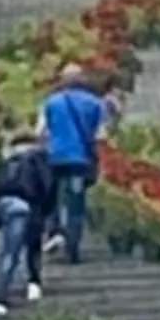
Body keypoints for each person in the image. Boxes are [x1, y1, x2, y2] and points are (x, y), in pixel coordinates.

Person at [41, 61, 113, 265]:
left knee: (52, 196)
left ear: (62, 80)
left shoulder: (51, 103)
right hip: (80, 160)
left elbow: (42, 132)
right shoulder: (95, 104)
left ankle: (54, 231)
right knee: (76, 204)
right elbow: (101, 136)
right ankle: (72, 246)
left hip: (55, 159)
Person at [0, 126, 55, 317]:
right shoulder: (40, 158)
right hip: (26, 206)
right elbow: (47, 188)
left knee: (10, 250)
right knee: (29, 246)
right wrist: (48, 215)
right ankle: (21, 288)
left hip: (1, 205)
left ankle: (2, 296)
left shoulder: (8, 159)